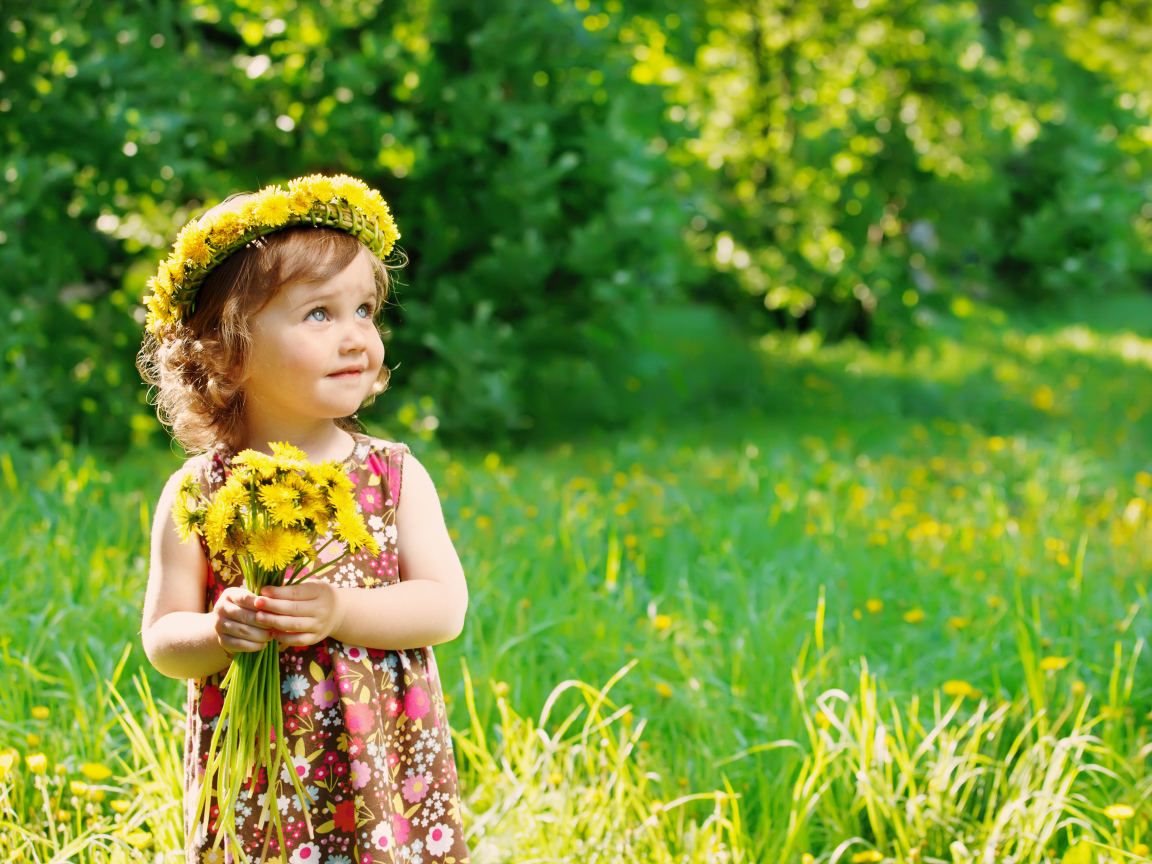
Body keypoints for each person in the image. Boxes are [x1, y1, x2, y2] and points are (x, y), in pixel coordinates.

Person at [137, 174, 472, 864]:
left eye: (365, 311)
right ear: (229, 348)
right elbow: (164, 638)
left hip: (384, 767)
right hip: (261, 770)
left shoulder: (392, 475)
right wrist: (219, 630)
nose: (355, 337)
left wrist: (337, 610)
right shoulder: (198, 492)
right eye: (319, 314)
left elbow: (444, 606)